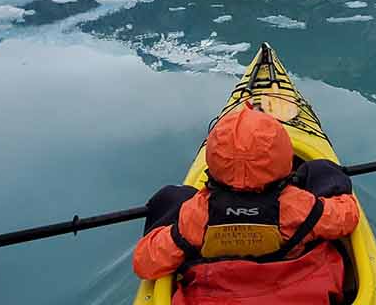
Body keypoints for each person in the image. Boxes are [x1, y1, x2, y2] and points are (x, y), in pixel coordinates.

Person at [133, 102, 360, 304]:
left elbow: (146, 263)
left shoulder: (196, 215)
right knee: (322, 170)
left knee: (172, 198)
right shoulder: (300, 207)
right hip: (299, 293)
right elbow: (347, 216)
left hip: (214, 296)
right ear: (282, 159)